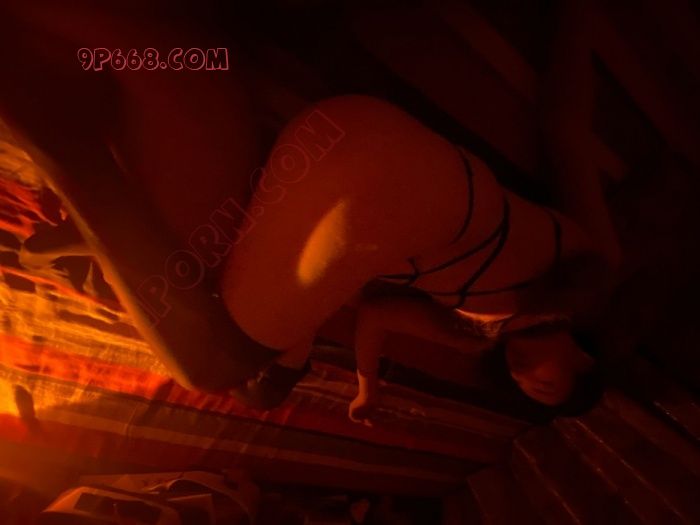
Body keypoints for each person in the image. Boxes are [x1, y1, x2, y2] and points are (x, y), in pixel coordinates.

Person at [222, 1, 621, 420]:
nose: (523, 377)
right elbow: (566, 133)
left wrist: (367, 389)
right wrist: (578, 19)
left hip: (355, 225)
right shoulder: (592, 272)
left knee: (252, 383)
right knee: (224, 361)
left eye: (523, 388)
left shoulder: (473, 336)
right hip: (405, 173)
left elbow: (377, 316)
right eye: (545, 384)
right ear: (583, 360)